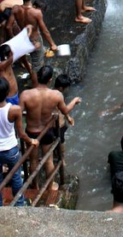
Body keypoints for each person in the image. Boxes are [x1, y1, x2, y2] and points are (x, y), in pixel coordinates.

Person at [20, 65, 81, 193]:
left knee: (33, 160)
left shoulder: (25, 94)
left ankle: (35, 186)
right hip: (46, 130)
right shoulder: (56, 95)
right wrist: (74, 102)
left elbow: (18, 115)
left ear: (37, 77)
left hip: (31, 131)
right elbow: (65, 111)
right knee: (48, 160)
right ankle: (50, 186)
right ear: (50, 80)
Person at [0, 76, 35, 207]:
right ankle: (19, 203)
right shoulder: (14, 110)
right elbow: (21, 133)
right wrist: (31, 140)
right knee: (15, 177)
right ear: (7, 92)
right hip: (10, 149)